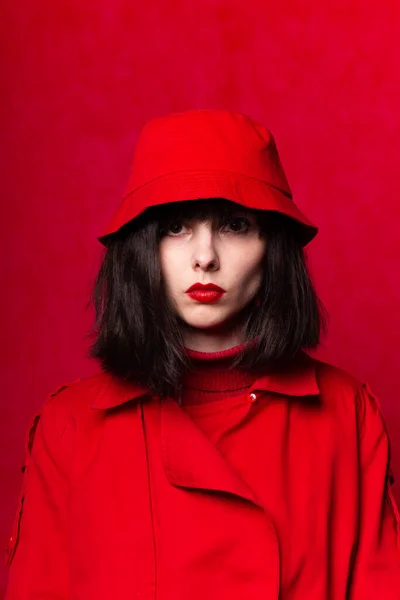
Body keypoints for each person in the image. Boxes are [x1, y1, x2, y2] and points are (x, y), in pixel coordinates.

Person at [5, 109, 400, 599]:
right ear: (140, 250)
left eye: (234, 224)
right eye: (175, 227)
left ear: (272, 247)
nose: (205, 256)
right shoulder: (70, 427)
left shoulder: (346, 414)